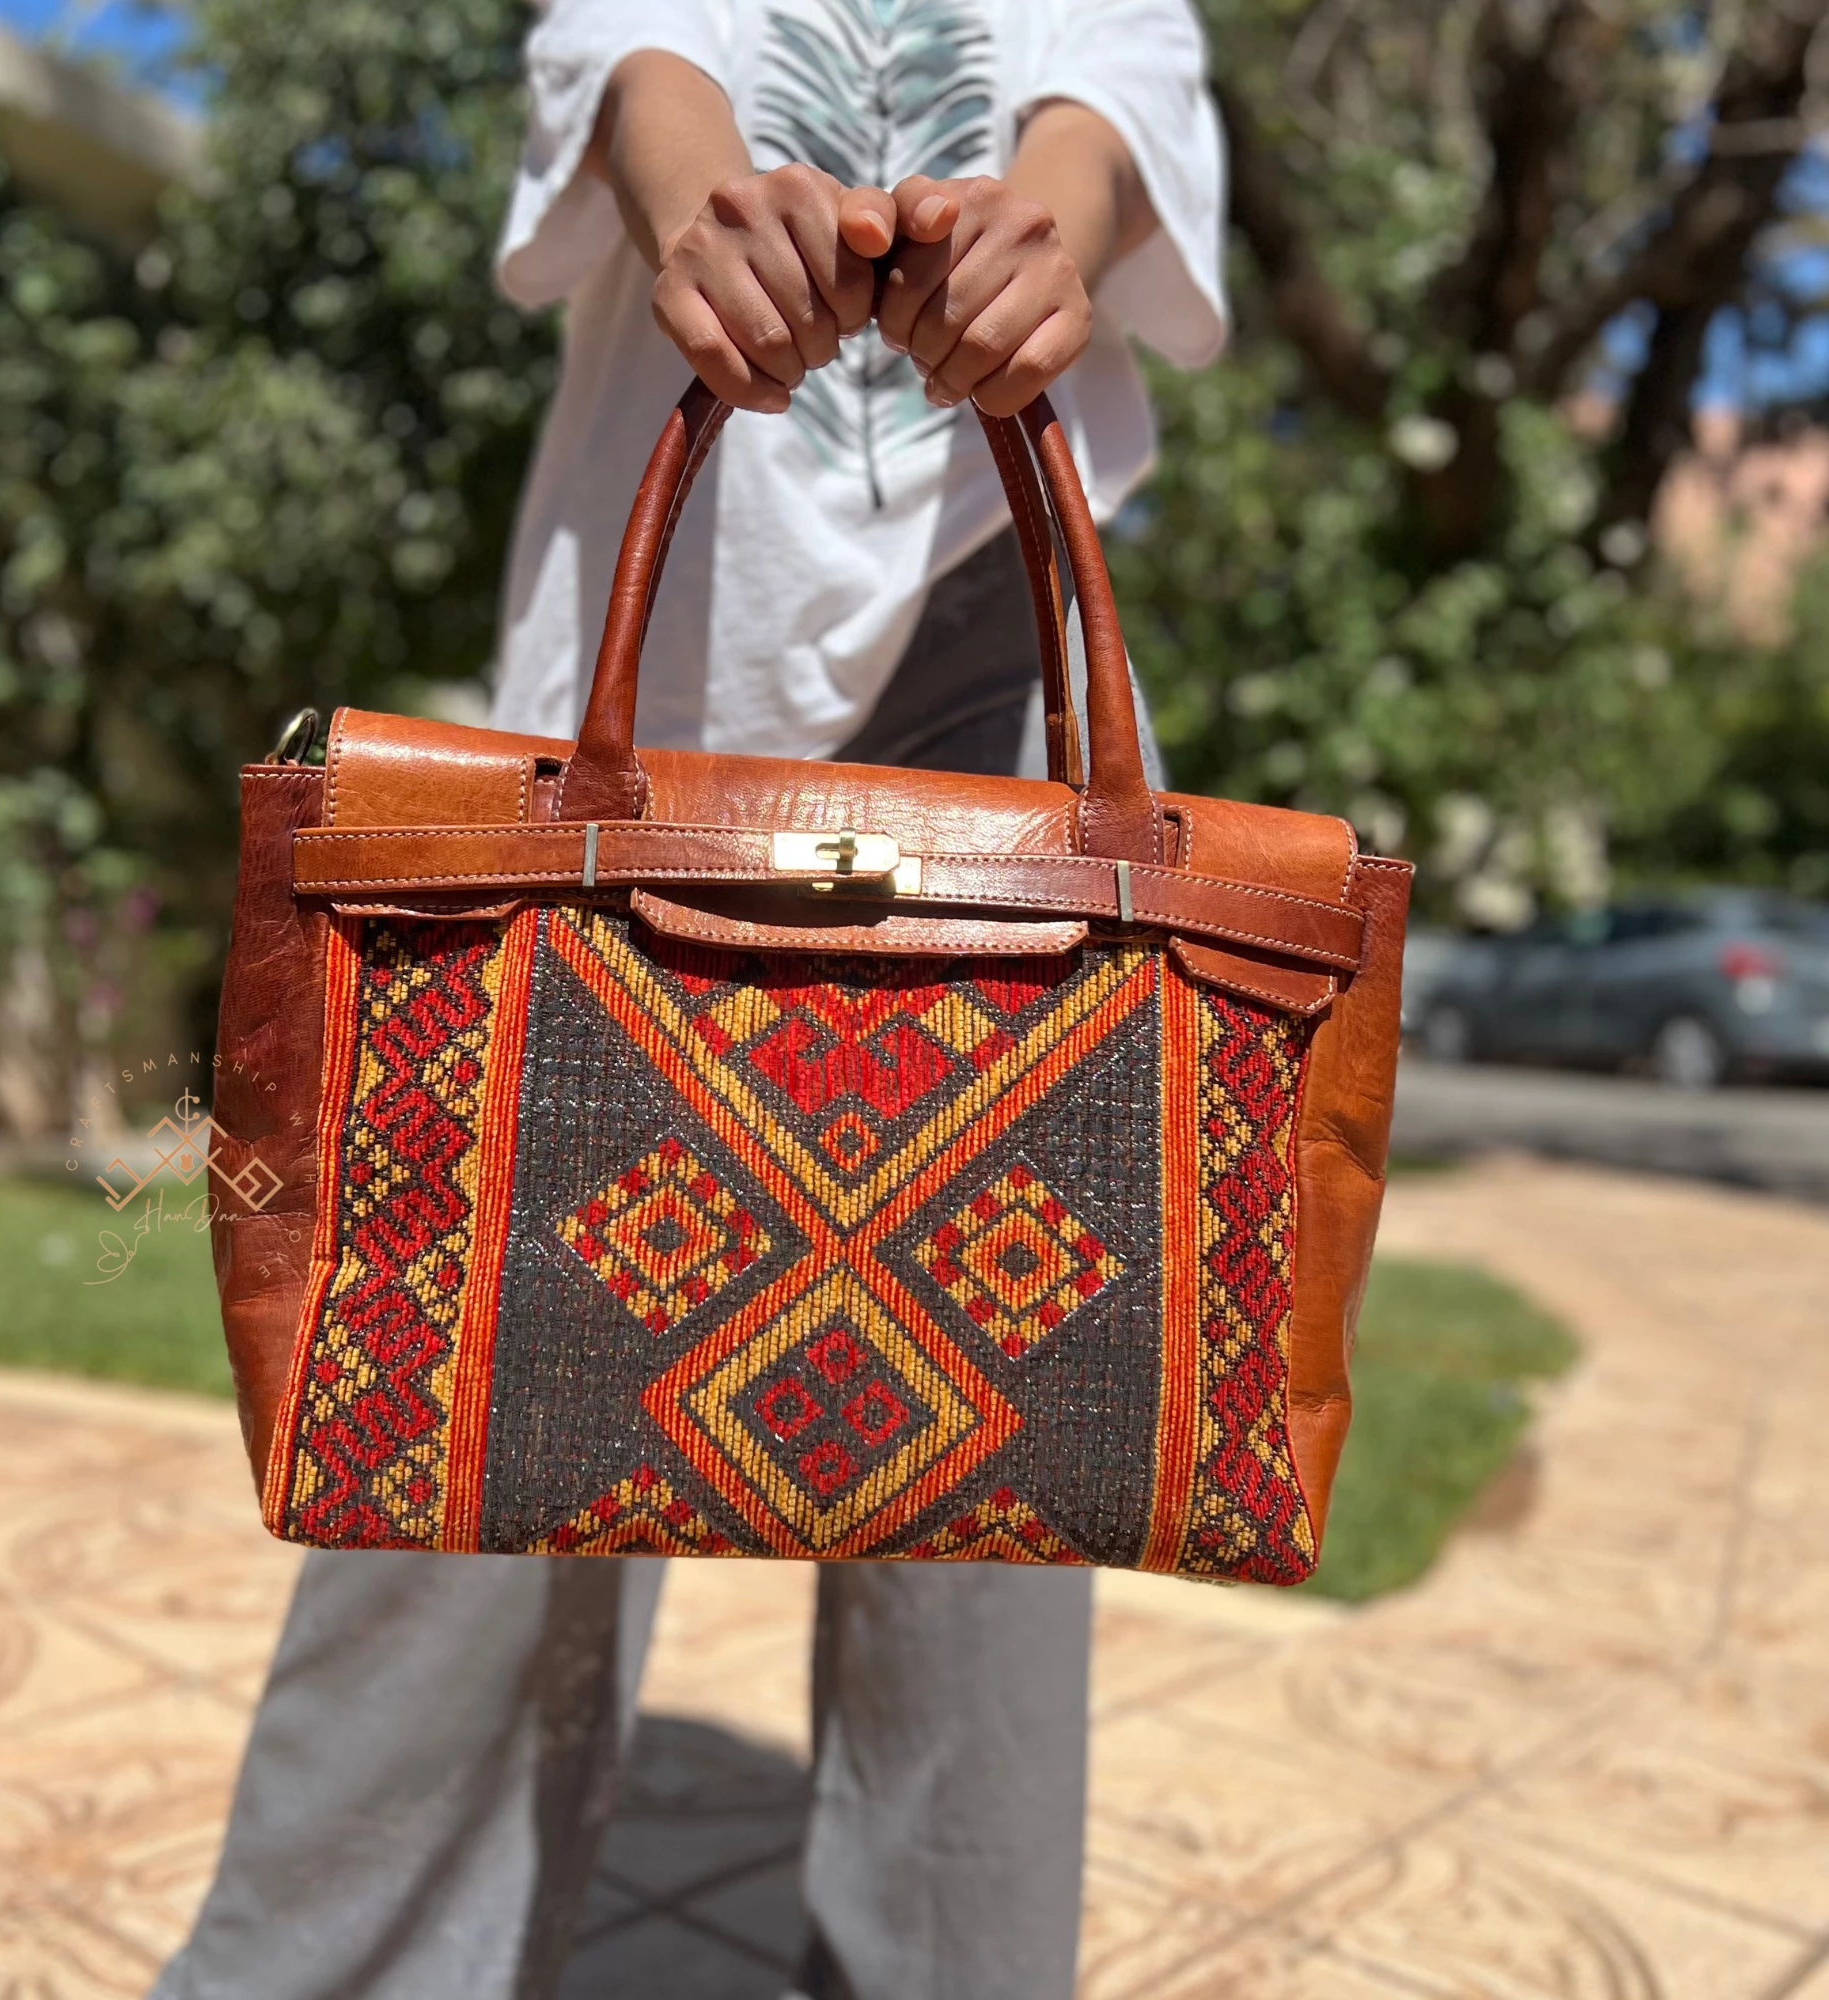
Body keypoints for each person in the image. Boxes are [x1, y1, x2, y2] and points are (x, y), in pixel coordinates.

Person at [154, 5, 1225, 1996]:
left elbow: (1118, 65)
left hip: (989, 679)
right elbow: (630, 40)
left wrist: (1043, 231)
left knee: (1005, 1430)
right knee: (483, 1391)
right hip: (644, 726)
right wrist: (700, 205)